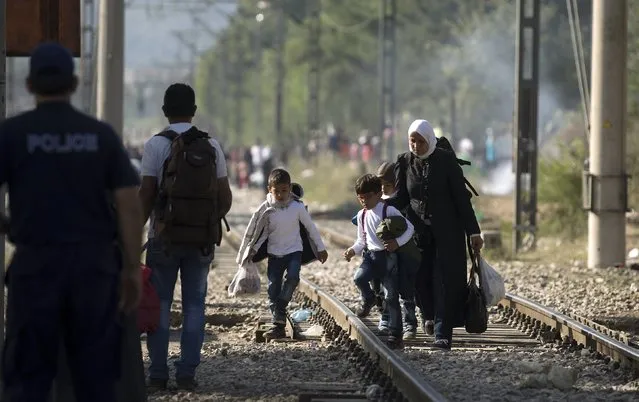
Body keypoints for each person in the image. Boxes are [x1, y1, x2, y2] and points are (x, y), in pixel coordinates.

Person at [0, 42, 143, 401]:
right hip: (93, 268)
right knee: (95, 375)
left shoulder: (12, 135)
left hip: (35, 263)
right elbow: (129, 205)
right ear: (74, 83)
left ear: (30, 85)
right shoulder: (100, 136)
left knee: (28, 375)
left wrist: (9, 227)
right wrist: (129, 268)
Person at [138, 83, 233, 391]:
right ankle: (187, 373)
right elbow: (225, 196)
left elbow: (146, 194)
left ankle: (158, 374)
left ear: (165, 112)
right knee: (195, 305)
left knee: (161, 304)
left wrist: (138, 231)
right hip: (200, 240)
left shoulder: (154, 145)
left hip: (163, 238)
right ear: (194, 111)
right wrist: (206, 219)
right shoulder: (212, 146)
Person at [387, 119, 484, 350]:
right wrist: (379, 207)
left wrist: (474, 232)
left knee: (443, 280)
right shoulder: (404, 161)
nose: (417, 146)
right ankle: (428, 315)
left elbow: (461, 199)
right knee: (419, 278)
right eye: (413, 140)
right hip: (417, 233)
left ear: (429, 140)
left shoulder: (446, 161)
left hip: (447, 232)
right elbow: (401, 198)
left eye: (421, 141)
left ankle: (443, 333)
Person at [236, 169, 328, 339]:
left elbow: (311, 228)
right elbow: (259, 232)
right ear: (269, 189)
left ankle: (281, 305)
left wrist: (321, 248)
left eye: (284, 190)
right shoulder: (267, 210)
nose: (280, 194)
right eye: (276, 191)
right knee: (272, 289)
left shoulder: (297, 207)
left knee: (293, 278)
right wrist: (251, 250)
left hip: (294, 251)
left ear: (290, 188)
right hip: (274, 254)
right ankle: (278, 323)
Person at [343, 174, 415, 348]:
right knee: (359, 278)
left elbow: (409, 228)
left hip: (387, 257)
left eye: (368, 197)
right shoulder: (361, 215)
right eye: (361, 198)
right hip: (370, 256)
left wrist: (396, 243)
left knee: (391, 296)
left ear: (378, 194)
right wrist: (353, 250)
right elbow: (362, 239)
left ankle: (395, 334)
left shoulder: (387, 210)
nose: (365, 201)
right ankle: (368, 299)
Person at [375, 162, 419, 340]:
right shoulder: (376, 203)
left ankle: (410, 323)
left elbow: (409, 227)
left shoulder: (401, 202)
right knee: (381, 287)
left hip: (402, 252)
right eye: (381, 186)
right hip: (381, 253)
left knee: (406, 288)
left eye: (388, 186)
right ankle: (385, 317)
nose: (384, 190)